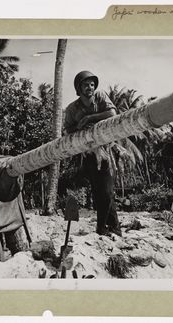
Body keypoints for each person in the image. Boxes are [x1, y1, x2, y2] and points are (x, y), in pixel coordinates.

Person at [63, 71, 122, 237]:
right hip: (88, 153)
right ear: (78, 88)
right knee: (99, 191)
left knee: (107, 191)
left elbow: (112, 113)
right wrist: (79, 127)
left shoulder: (101, 96)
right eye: (85, 85)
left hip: (107, 150)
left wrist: (89, 118)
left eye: (91, 84)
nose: (89, 88)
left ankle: (101, 227)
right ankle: (115, 229)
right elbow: (68, 129)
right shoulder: (72, 108)